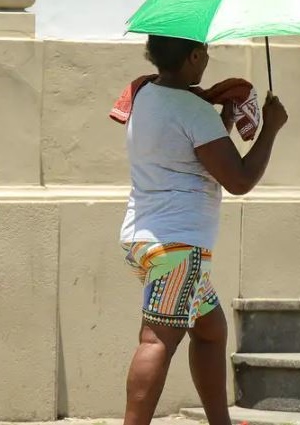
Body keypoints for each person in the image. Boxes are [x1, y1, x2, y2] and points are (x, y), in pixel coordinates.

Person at [119, 35, 288, 425]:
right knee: (157, 340)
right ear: (193, 56)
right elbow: (239, 179)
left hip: (146, 237)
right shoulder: (192, 109)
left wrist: (222, 122)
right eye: (206, 51)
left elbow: (188, 154)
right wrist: (271, 128)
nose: (209, 58)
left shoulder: (145, 94)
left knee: (210, 329)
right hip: (179, 245)